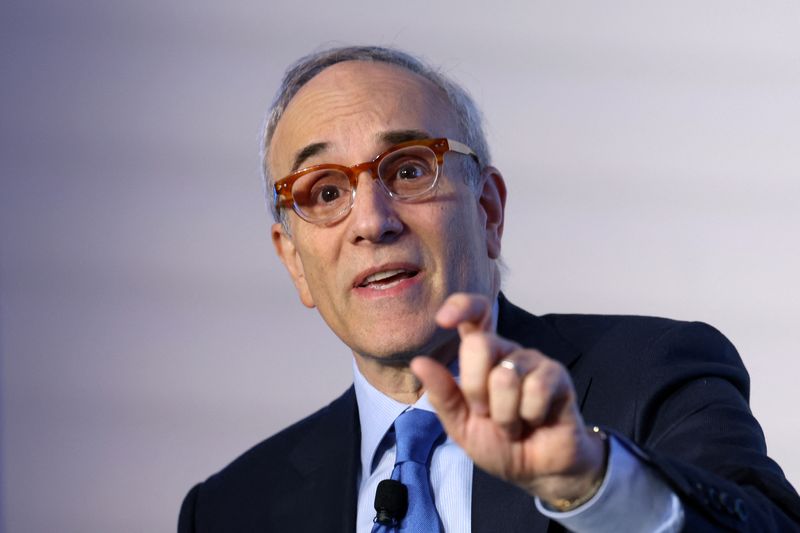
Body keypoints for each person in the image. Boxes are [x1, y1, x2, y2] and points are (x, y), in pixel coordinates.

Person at [178, 46, 800, 532]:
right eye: (327, 192)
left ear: (489, 212)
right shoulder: (231, 509)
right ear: (293, 261)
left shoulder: (656, 377)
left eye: (411, 170)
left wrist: (589, 482)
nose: (373, 221)